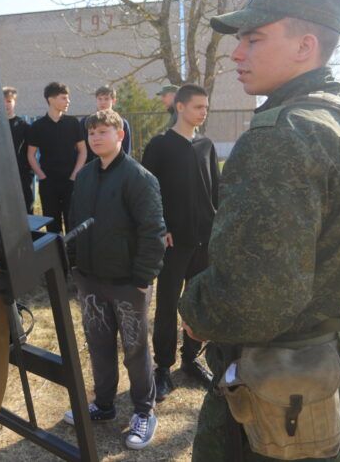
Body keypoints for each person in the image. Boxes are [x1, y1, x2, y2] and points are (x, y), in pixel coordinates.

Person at [180, 0, 340, 460]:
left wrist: (195, 312)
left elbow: (255, 298)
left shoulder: (284, 134)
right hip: (334, 361)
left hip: (277, 381)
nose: (236, 54)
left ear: (305, 46)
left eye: (254, 39)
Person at [63, 110, 165, 450]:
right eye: (91, 132)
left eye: (103, 131)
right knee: (98, 345)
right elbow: (75, 220)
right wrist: (75, 265)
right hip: (91, 280)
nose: (95, 137)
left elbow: (153, 232)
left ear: (120, 135)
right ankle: (103, 405)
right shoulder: (86, 175)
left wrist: (142, 278)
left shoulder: (139, 178)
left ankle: (144, 411)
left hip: (127, 282)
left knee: (135, 349)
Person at [142, 84, 220, 400]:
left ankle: (191, 359)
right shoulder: (160, 145)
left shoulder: (206, 145)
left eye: (206, 107)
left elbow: (215, 190)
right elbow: (147, 192)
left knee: (198, 302)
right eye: (199, 107)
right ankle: (162, 367)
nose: (204, 112)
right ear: (180, 107)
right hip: (174, 243)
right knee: (167, 305)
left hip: (205, 241)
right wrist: (160, 227)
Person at [26, 82, 86, 233]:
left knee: (73, 221)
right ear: (51, 99)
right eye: (64, 98)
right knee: (52, 225)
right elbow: (31, 155)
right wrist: (42, 177)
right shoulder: (38, 126)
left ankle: (73, 255)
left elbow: (83, 151)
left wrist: (74, 175)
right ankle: (56, 255)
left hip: (70, 182)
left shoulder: (73, 123)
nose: (68, 101)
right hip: (49, 183)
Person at [2, 87, 35, 213]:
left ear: (14, 102)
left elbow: (31, 153)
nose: (6, 104)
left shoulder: (24, 126)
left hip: (21, 175)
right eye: (3, 101)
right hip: (0, 176)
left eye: (9, 101)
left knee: (25, 210)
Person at [82, 85, 132, 162]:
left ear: (114, 101)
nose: (103, 102)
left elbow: (126, 149)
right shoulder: (86, 121)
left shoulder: (122, 123)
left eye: (106, 99)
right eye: (100, 99)